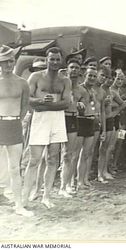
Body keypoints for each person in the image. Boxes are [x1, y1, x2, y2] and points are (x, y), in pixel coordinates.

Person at [22, 47, 71, 209]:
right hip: (40, 119)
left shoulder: (65, 80)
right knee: (34, 159)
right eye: (52, 59)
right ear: (47, 59)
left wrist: (50, 105)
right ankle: (25, 197)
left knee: (52, 159)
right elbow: (27, 99)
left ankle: (46, 196)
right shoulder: (36, 76)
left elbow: (66, 103)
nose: (55, 62)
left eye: (58, 59)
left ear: (61, 60)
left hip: (57, 120)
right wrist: (41, 102)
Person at [0, 45, 33, 216]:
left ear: (14, 62)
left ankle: (18, 205)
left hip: (13, 126)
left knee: (15, 168)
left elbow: (25, 106)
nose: (8, 65)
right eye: (4, 62)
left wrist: (16, 121)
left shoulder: (22, 83)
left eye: (10, 61)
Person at [59, 59, 87, 196]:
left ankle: (66, 185)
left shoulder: (82, 90)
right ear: (67, 69)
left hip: (72, 118)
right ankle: (40, 185)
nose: (74, 70)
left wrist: (81, 106)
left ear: (80, 71)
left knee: (69, 154)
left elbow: (84, 106)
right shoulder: (60, 83)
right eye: (72, 67)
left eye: (77, 67)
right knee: (50, 154)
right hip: (59, 118)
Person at [76, 68, 99, 189]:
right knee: (76, 153)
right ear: (85, 75)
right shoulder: (79, 89)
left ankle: (84, 178)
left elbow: (94, 107)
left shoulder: (93, 91)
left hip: (91, 121)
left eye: (94, 76)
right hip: (81, 121)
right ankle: (77, 181)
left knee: (87, 153)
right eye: (90, 75)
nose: (92, 78)